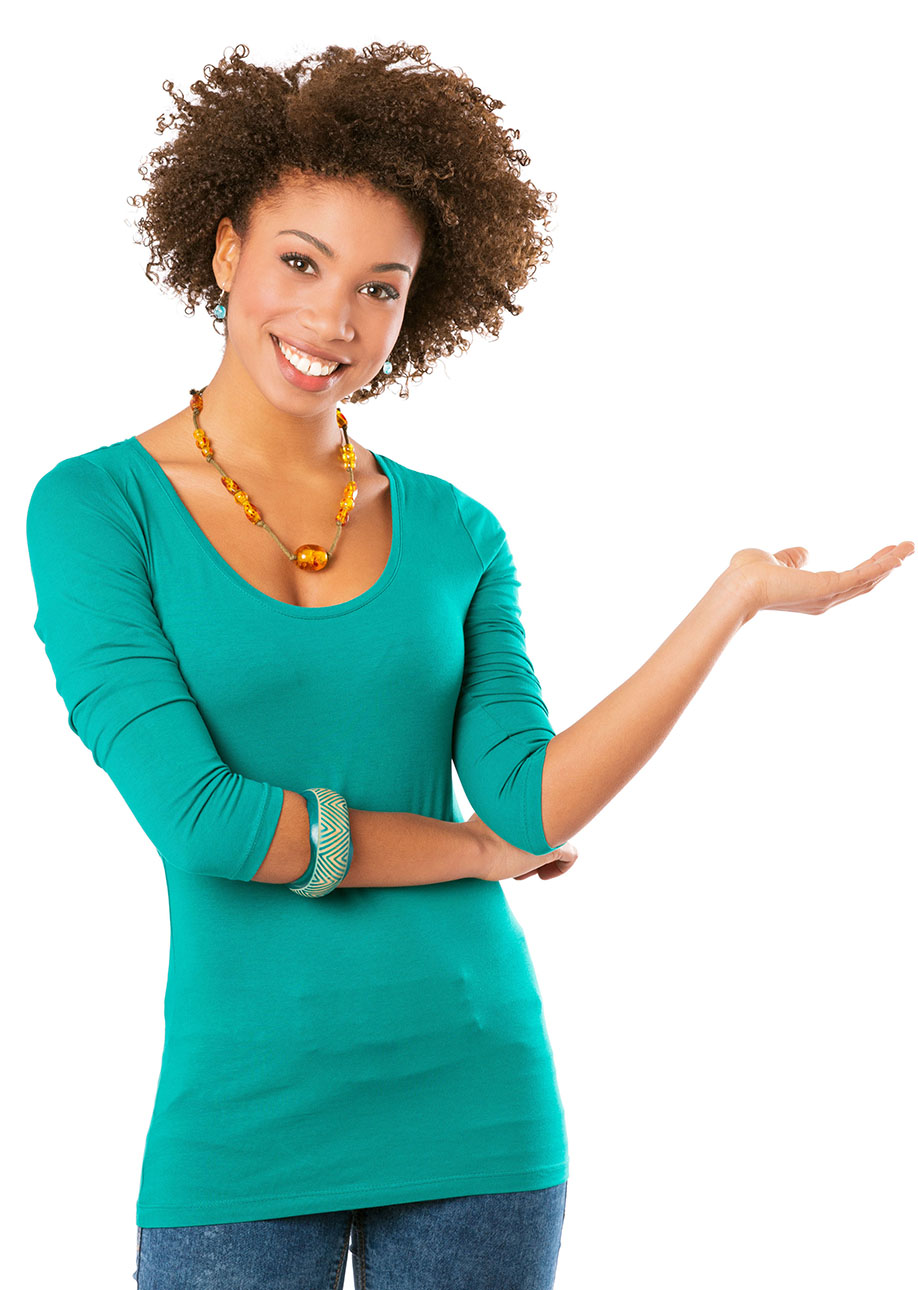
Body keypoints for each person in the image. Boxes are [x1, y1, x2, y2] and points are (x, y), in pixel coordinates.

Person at [24, 41, 912, 1290]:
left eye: (381, 288)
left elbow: (530, 799)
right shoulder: (93, 509)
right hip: (240, 1120)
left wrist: (733, 600)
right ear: (224, 249)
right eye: (299, 262)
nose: (334, 322)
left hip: (477, 1101)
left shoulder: (455, 530)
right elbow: (208, 823)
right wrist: (474, 854)